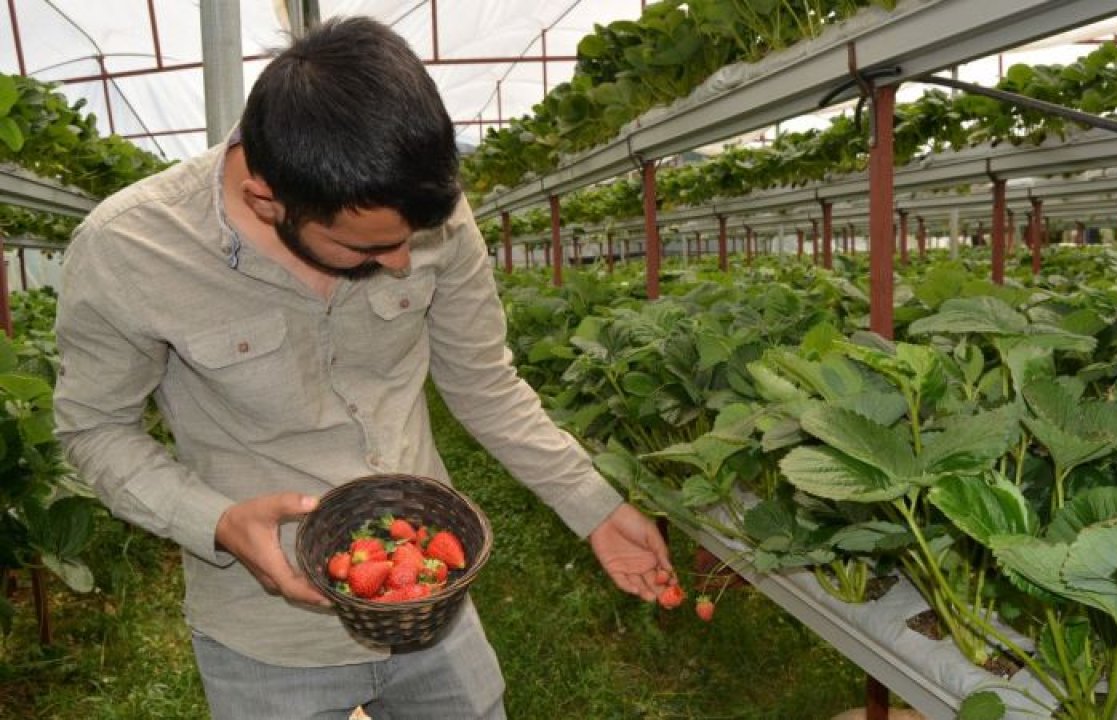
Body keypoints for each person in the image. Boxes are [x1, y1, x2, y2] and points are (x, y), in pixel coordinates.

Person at [53, 16, 673, 720]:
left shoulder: (416, 206)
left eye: (410, 240)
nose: (402, 262)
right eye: (369, 250)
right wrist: (217, 521)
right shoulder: (130, 249)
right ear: (267, 200)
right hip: (265, 634)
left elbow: (484, 383)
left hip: (428, 604)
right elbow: (95, 430)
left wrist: (593, 506)